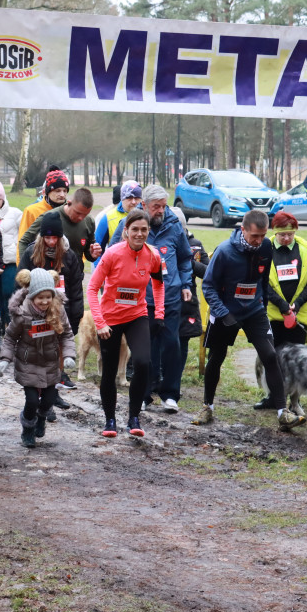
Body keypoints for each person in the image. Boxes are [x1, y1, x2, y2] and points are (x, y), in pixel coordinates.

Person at [196, 209, 306, 430]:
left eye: (263, 236)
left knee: (270, 355)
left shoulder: (266, 247)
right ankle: (207, 407)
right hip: (225, 311)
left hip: (254, 310)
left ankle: (283, 412)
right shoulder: (224, 252)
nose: (259, 241)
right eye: (254, 236)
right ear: (243, 230)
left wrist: (262, 306)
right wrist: (223, 313)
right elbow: (208, 286)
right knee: (216, 357)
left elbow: (263, 280)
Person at [111, 185, 192, 413]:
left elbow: (186, 258)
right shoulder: (129, 225)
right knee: (144, 349)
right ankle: (144, 394)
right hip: (141, 298)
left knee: (172, 345)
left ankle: (170, 394)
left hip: (171, 296)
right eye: (156, 206)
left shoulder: (174, 225)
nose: (161, 211)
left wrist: (186, 284)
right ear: (144, 205)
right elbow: (113, 255)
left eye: (164, 206)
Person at [86, 209, 164, 438]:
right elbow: (92, 288)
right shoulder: (112, 254)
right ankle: (110, 420)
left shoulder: (153, 255)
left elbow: (159, 284)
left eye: (144, 230)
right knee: (109, 371)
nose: (139, 234)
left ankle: (134, 417)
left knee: (142, 363)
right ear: (126, 232)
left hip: (136, 315)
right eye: (135, 230)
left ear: (149, 231)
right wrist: (99, 322)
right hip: (109, 318)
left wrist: (159, 313)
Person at [0, 268, 76, 448]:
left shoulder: (57, 310)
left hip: (50, 363)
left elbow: (67, 334)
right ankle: (27, 428)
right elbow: (10, 338)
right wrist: (4, 359)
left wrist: (69, 355)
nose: (45, 301)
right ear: (32, 296)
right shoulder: (22, 314)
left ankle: (41, 417)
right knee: (32, 400)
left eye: (48, 296)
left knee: (48, 400)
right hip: (28, 363)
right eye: (40, 297)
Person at [19, 209, 83, 404]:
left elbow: (75, 287)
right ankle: (36, 394)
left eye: (55, 237)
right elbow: (20, 286)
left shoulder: (69, 256)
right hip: (35, 314)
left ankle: (52, 394)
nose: (51, 242)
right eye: (47, 237)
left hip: (60, 314)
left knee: (55, 355)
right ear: (42, 236)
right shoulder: (31, 253)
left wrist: (76, 313)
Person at [265, 211, 307, 347]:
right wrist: (281, 304)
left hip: (298, 315)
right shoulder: (265, 249)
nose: (287, 238)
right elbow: (261, 282)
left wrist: (298, 303)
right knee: (273, 358)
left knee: (297, 358)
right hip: (272, 315)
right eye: (282, 235)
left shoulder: (304, 249)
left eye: (290, 234)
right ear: (275, 232)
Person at [0, 181, 22, 332]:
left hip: (9, 261)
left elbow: (25, 231)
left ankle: (11, 323)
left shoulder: (14, 213)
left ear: (3, 199)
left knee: (9, 292)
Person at [177, 217, 208, 372]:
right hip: (165, 298)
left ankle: (177, 376)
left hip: (187, 301)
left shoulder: (195, 245)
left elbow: (208, 271)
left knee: (183, 340)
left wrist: (190, 263)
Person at [18, 167, 68, 240]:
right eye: (58, 191)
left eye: (65, 191)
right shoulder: (31, 211)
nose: (62, 195)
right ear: (47, 192)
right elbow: (22, 240)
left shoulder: (72, 211)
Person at [94, 180, 142, 254]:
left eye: (137, 198)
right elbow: (97, 249)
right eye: (129, 198)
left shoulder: (147, 217)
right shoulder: (108, 218)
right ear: (122, 198)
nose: (133, 202)